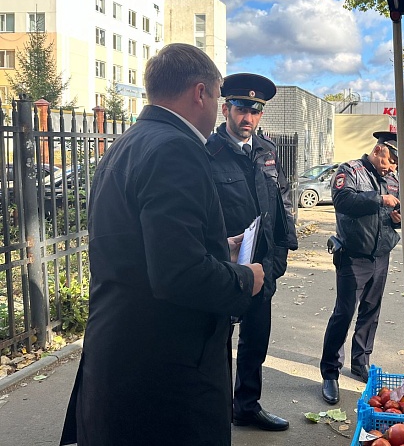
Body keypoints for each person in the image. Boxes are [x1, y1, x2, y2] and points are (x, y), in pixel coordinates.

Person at [60, 43, 265, 446]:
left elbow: (139, 246)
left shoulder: (129, 143)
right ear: (201, 92)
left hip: (122, 356)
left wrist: (216, 247)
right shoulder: (176, 149)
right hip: (164, 376)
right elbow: (179, 275)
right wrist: (246, 278)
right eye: (219, 95)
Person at [207, 73, 298, 432]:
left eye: (255, 111)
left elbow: (279, 201)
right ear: (227, 108)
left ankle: (246, 405)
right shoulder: (207, 153)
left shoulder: (267, 151)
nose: (248, 118)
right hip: (223, 265)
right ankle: (214, 411)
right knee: (216, 342)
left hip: (263, 263)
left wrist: (278, 258)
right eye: (242, 109)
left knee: (256, 339)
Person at [320, 131, 404, 405]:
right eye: (393, 160)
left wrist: (397, 219)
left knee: (371, 312)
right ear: (379, 150)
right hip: (353, 256)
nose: (395, 167)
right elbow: (343, 201)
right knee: (344, 313)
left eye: (398, 163)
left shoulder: (393, 180)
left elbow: (395, 216)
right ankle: (330, 373)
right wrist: (379, 200)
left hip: (381, 255)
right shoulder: (350, 170)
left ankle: (361, 363)